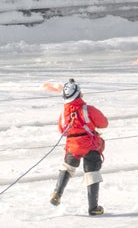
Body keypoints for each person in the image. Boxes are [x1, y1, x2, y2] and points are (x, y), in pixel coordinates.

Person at [50, 77, 108, 216]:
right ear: (79, 94)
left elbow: (61, 130)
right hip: (90, 146)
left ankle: (57, 192)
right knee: (92, 173)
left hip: (72, 147)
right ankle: (93, 208)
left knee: (68, 168)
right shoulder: (88, 110)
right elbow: (103, 123)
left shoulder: (64, 114)